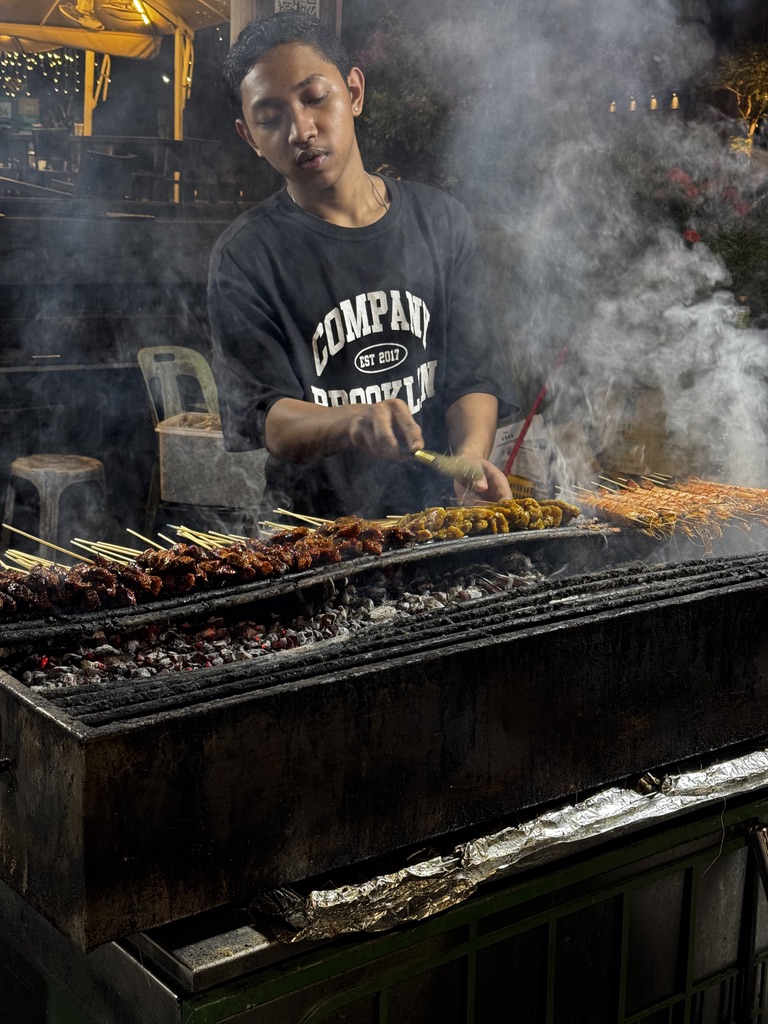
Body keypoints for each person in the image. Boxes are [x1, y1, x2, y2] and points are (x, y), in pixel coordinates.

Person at [208, 11, 517, 519]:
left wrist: (468, 462)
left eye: (315, 97)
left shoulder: (441, 221)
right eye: (271, 117)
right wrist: (351, 420)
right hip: (313, 534)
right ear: (249, 136)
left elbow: (473, 376)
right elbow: (269, 417)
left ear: (353, 92)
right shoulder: (246, 256)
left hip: (438, 521)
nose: (301, 129)